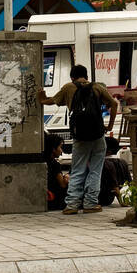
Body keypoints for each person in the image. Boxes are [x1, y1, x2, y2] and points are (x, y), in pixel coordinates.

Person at [38, 64, 119, 214]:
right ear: (86, 76)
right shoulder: (97, 87)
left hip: (80, 136)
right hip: (98, 135)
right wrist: (109, 126)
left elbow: (52, 100)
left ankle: (72, 205)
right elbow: (113, 104)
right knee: (95, 170)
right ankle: (90, 203)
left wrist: (42, 99)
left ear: (72, 77)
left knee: (77, 170)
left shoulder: (69, 87)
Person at [44, 133, 69, 211]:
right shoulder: (54, 164)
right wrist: (67, 177)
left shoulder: (43, 161)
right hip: (55, 200)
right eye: (60, 147)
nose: (61, 151)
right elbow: (62, 185)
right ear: (53, 149)